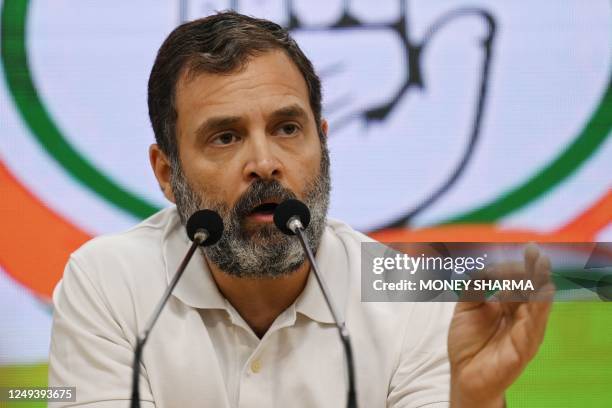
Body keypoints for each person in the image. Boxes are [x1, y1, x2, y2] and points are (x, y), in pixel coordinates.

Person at [48, 11, 553, 407]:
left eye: (288, 129)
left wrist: (476, 401)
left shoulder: (408, 295)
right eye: (225, 137)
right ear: (166, 174)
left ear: (323, 141)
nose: (265, 164)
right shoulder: (109, 283)